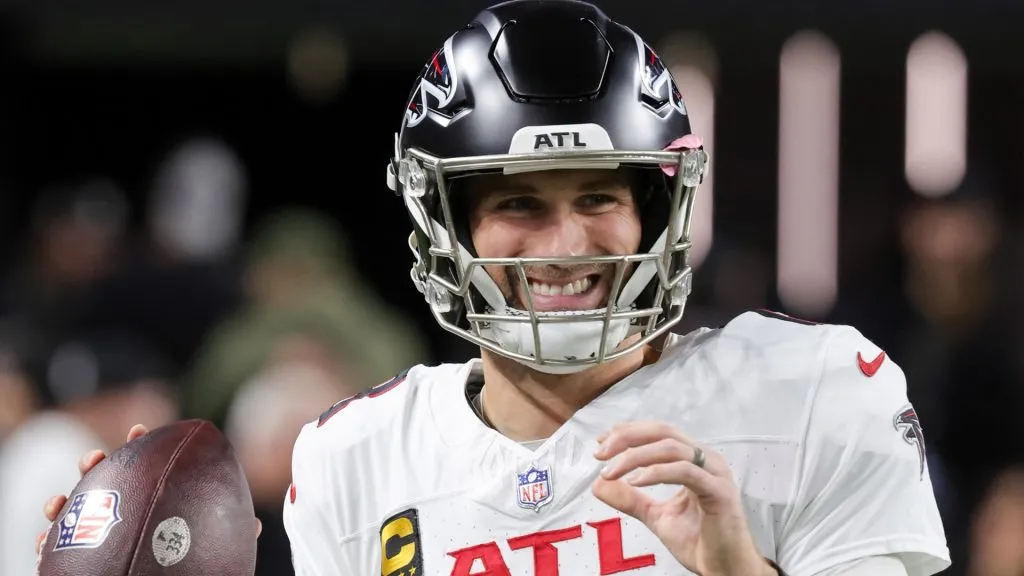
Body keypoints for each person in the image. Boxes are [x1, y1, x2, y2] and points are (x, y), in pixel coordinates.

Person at [39, 1, 949, 575]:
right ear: (448, 224)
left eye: (599, 195)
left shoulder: (814, 391)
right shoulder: (354, 458)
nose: (564, 242)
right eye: (518, 203)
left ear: (656, 214)